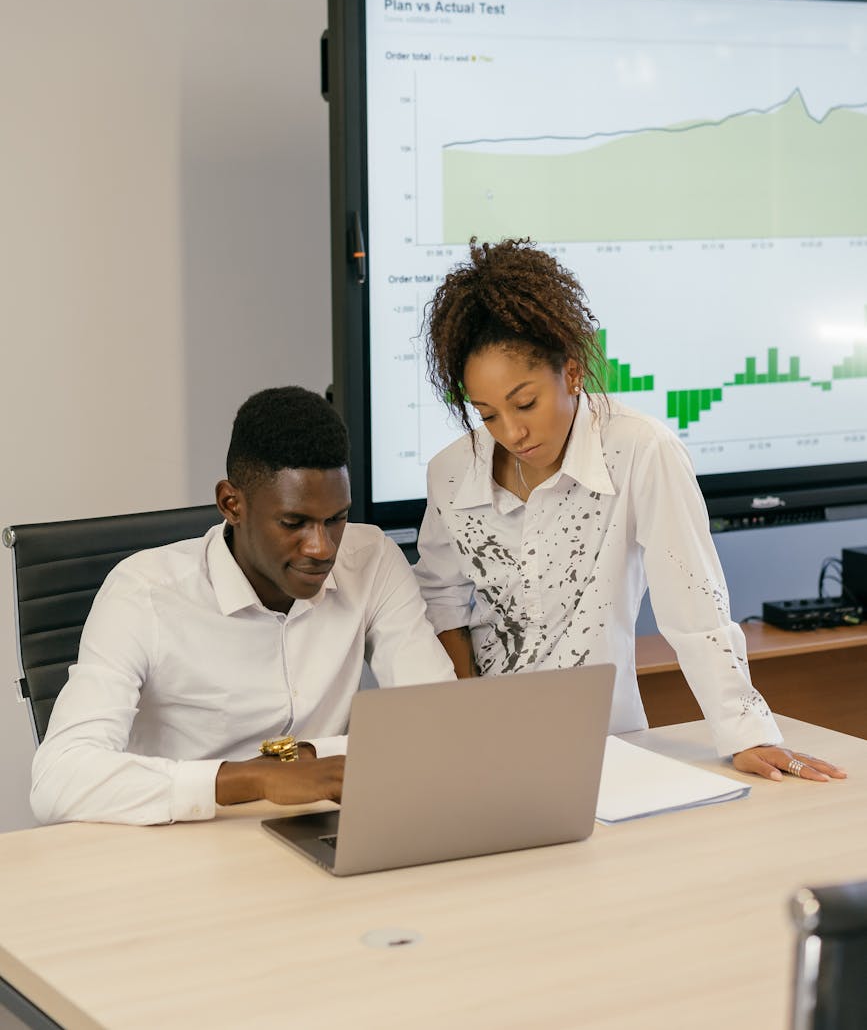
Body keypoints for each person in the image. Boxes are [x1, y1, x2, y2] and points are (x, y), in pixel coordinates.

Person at [415, 238, 846, 784]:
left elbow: (693, 600)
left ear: (571, 373)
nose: (512, 432)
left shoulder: (641, 450)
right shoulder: (451, 471)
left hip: (603, 749)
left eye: (525, 403)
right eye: (488, 414)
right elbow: (439, 597)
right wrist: (467, 717)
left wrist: (748, 732)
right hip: (479, 748)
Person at [31, 386, 455, 825]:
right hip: (179, 843)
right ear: (231, 504)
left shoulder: (372, 560)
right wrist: (253, 779)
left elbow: (440, 721)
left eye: (336, 519)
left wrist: (308, 757)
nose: (322, 547)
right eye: (295, 523)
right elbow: (58, 778)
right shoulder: (142, 594)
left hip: (317, 826)